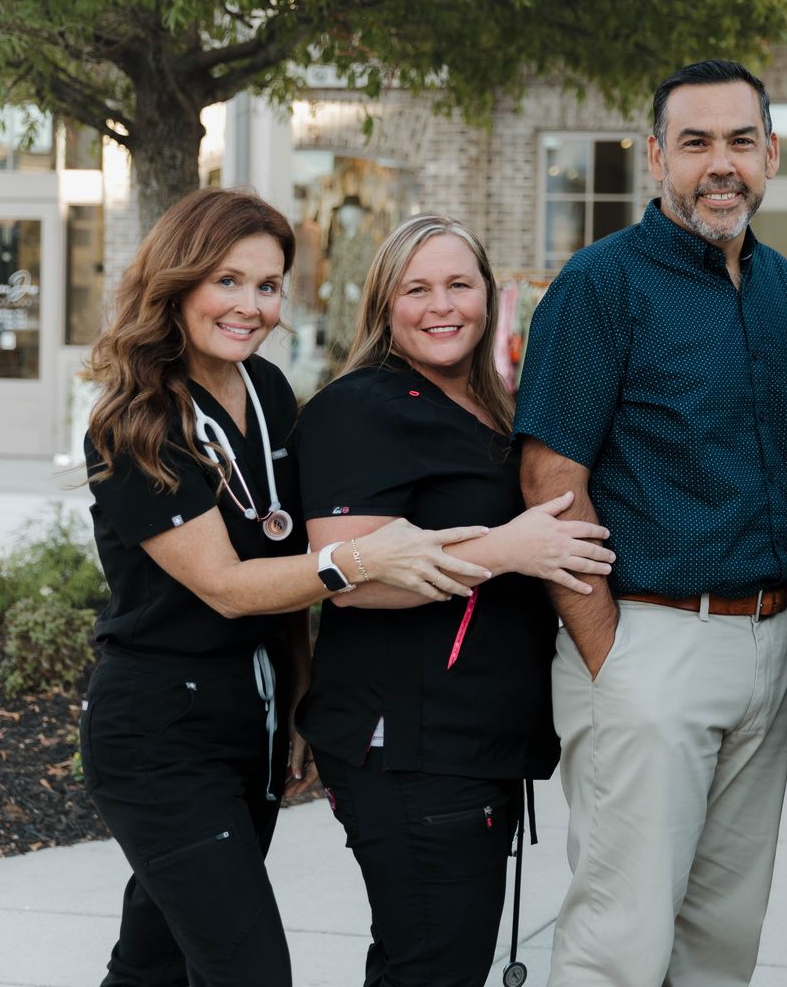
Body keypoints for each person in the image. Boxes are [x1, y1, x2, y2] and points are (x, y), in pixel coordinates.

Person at [80, 189, 494, 987]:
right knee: (249, 972)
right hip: (159, 733)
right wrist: (363, 561)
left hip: (250, 723)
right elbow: (230, 586)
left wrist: (300, 703)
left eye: (268, 286)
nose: (251, 306)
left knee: (155, 963)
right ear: (178, 284)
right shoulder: (133, 422)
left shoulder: (266, 391)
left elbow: (282, 570)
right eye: (227, 282)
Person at [513, 59, 787, 986]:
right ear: (657, 158)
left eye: (740, 141)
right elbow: (550, 476)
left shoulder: (780, 289)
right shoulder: (601, 284)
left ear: (770, 155)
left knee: (721, 939)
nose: (719, 163)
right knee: (620, 941)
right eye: (695, 143)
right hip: (650, 642)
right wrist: (612, 653)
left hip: (773, 644)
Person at [292, 214, 615, 986]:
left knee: (422, 960)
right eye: (418, 288)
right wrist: (508, 550)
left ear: (488, 296)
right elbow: (349, 579)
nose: (442, 305)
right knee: (436, 964)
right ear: (385, 304)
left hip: (470, 748)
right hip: (408, 746)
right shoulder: (361, 406)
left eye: (459, 285)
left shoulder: (490, 408)